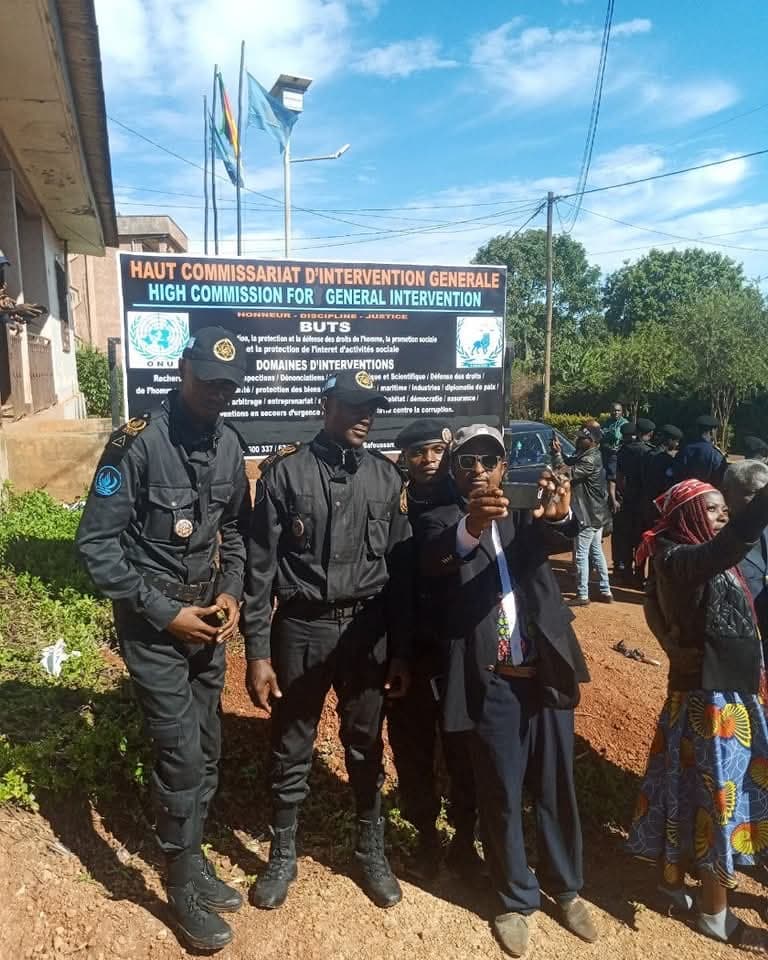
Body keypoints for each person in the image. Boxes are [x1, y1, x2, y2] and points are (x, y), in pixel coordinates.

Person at [76, 326, 250, 952]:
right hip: (155, 631)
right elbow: (96, 547)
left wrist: (230, 592)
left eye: (228, 384)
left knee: (206, 748)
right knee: (178, 752)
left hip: (209, 625)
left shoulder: (230, 444)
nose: (217, 392)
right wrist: (165, 612)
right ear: (182, 371)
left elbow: (236, 534)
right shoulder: (138, 445)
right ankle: (178, 884)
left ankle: (193, 856)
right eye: (207, 380)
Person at [416, 425, 596, 958]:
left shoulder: (525, 512)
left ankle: (566, 888)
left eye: (488, 461)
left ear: (503, 466)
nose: (478, 470)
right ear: (454, 472)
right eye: (466, 462)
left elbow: (557, 537)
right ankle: (514, 898)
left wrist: (560, 513)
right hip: (490, 681)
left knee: (556, 785)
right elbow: (438, 559)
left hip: (545, 675)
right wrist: (472, 524)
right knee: (499, 791)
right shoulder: (439, 519)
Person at [242, 368, 412, 912]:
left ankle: (369, 849)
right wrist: (258, 652)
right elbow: (258, 573)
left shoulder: (387, 480)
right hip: (302, 628)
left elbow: (401, 576)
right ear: (325, 406)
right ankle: (283, 854)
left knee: (365, 743)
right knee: (292, 742)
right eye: (354, 406)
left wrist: (400, 649)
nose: (366, 416)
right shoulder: (285, 474)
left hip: (367, 631)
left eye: (372, 408)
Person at [629, 477, 768, 950]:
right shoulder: (679, 557)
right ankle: (714, 914)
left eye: (725, 509)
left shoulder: (682, 555)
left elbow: (653, 608)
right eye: (713, 510)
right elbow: (733, 544)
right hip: (713, 704)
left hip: (718, 694)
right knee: (718, 804)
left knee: (688, 792)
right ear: (689, 516)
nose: (723, 516)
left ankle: (675, 883)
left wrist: (674, 647)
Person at [386, 419, 480, 881]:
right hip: (408, 643)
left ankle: (466, 840)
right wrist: (398, 651)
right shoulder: (394, 502)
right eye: (416, 453)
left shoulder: (464, 499)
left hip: (459, 642)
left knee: (463, 746)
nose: (427, 460)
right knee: (413, 747)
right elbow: (396, 586)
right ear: (404, 459)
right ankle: (425, 836)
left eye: (434, 451)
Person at [552, 425, 612, 606]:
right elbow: (569, 462)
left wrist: (556, 456)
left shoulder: (589, 460)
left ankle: (582, 594)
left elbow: (565, 474)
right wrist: (559, 453)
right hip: (596, 514)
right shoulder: (588, 455)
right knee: (596, 552)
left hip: (588, 514)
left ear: (592, 441)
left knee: (581, 554)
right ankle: (605, 590)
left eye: (581, 438)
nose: (577, 440)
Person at [723, 460, 768, 638]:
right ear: (726, 492)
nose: (762, 503)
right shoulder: (714, 535)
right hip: (736, 637)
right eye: (754, 494)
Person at [640, 424, 683, 530]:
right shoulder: (667, 460)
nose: (677, 444)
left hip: (645, 501)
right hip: (660, 504)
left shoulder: (648, 454)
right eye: (676, 441)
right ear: (669, 440)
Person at [672, 415, 726, 486]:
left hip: (686, 494)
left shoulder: (685, 450)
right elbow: (720, 480)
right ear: (712, 431)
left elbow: (675, 475)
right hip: (707, 494)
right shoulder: (716, 454)